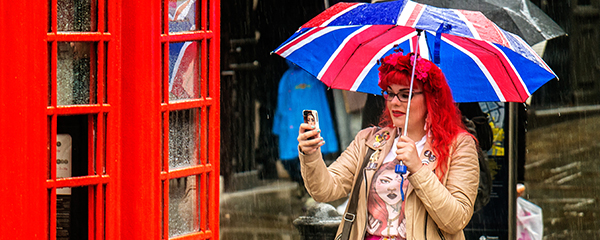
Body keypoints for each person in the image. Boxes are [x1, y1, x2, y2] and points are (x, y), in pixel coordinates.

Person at [297, 51, 479, 240]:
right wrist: (310, 154)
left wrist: (417, 168)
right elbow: (324, 189)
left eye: (405, 95)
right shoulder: (369, 140)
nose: (394, 102)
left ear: (430, 98)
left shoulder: (459, 146)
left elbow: (456, 219)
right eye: (390, 93)